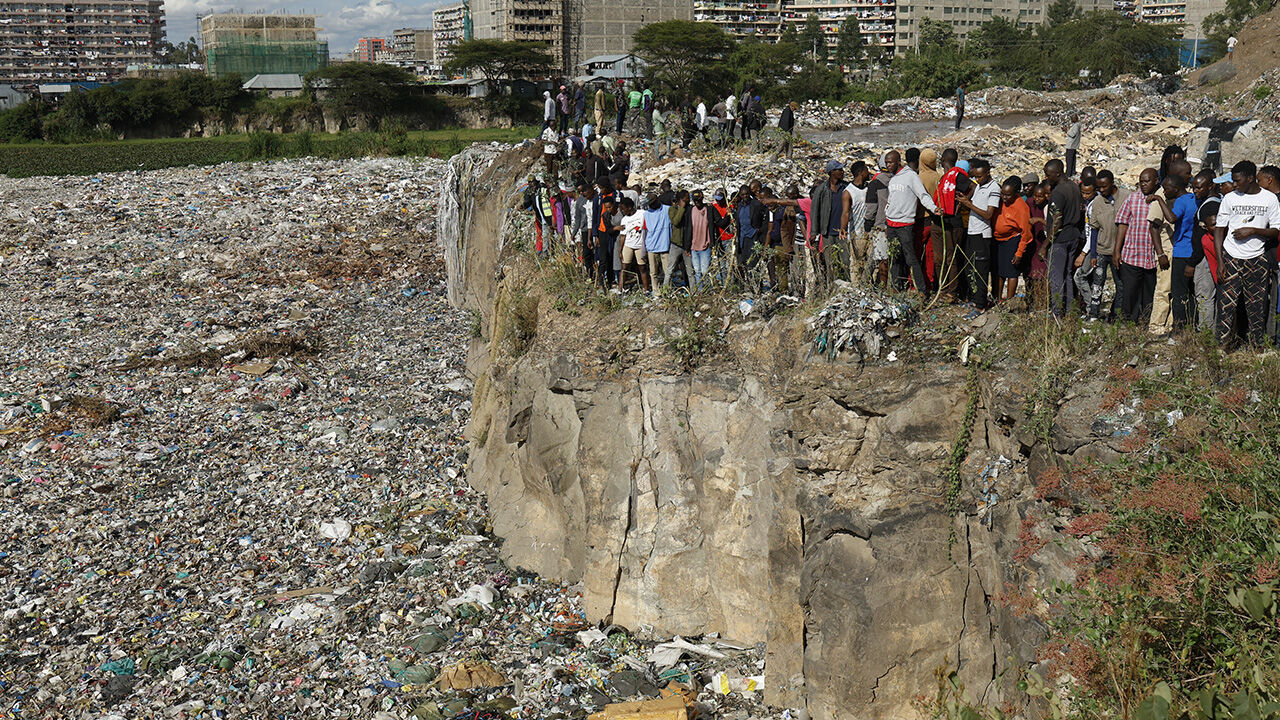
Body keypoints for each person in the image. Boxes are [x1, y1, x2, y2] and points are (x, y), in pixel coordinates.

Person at [1214, 160, 1280, 347]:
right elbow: (1219, 230)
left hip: (1257, 257)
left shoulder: (1269, 199)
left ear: (1250, 178)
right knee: (1227, 304)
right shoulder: (1230, 198)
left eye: (1238, 180)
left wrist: (1253, 230)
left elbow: (1275, 230)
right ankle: (1222, 347)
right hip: (1231, 255)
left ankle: (1256, 346)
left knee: (1256, 305)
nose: (1234, 185)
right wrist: (1221, 261)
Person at [887, 148, 939, 294]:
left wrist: (934, 209)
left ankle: (922, 291)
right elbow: (892, 199)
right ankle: (897, 288)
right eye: (886, 163)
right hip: (891, 224)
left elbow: (922, 195)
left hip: (905, 224)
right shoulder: (893, 179)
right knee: (895, 258)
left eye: (890, 163)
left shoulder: (911, 176)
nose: (888, 166)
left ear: (898, 162)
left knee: (911, 259)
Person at [1114, 168, 1162, 324]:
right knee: (1130, 293)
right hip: (1132, 255)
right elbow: (1122, 224)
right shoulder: (1132, 199)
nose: (1143, 184)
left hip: (1152, 258)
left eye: (1147, 181)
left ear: (1156, 181)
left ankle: (1145, 322)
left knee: (1149, 294)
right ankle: (1128, 323)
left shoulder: (1162, 199)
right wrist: (1117, 251)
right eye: (1141, 181)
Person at [1168, 173, 1211, 329]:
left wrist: (1159, 201)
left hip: (1182, 252)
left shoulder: (1183, 201)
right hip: (1198, 253)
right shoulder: (1201, 202)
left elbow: (1172, 218)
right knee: (1193, 294)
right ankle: (1193, 326)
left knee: (1179, 293)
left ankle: (1179, 328)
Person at [1084, 169, 1126, 321]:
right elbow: (1094, 229)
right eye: (1099, 187)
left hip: (1119, 251)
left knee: (1120, 285)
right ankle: (1094, 313)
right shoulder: (1097, 202)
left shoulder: (1125, 197)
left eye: (1104, 187)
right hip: (1102, 250)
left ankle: (1116, 314)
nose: (1101, 190)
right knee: (1098, 284)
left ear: (1112, 183)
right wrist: (1094, 254)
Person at [1044, 158, 1084, 318]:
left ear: (1058, 173)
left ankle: (1057, 311)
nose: (1047, 178)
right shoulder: (1074, 187)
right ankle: (1069, 309)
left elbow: (1057, 221)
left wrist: (1044, 245)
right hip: (1073, 236)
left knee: (1056, 276)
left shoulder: (1058, 192)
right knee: (1067, 274)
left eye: (1048, 174)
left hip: (1060, 239)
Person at [959, 158, 1000, 310]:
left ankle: (981, 304)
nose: (977, 179)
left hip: (982, 234)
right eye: (975, 176)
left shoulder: (993, 188)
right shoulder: (978, 186)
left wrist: (969, 205)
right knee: (970, 267)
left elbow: (989, 214)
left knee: (981, 270)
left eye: (980, 176)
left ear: (988, 173)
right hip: (972, 231)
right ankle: (976, 298)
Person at [933, 149, 972, 301]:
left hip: (953, 222)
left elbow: (973, 187)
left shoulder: (957, 175)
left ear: (942, 159)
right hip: (940, 220)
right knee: (939, 259)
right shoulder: (944, 177)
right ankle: (942, 289)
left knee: (951, 258)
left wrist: (963, 202)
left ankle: (952, 292)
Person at [809, 159, 851, 285]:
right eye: (839, 170)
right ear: (832, 172)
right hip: (827, 231)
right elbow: (815, 210)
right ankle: (833, 287)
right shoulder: (822, 190)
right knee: (831, 262)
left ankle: (846, 287)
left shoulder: (847, 187)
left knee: (845, 262)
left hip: (843, 231)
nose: (842, 172)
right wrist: (814, 232)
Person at [993, 176, 1032, 303]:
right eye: (1002, 194)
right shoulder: (1000, 201)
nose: (1004, 197)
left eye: (1007, 195)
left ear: (1015, 194)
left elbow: (1026, 233)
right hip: (998, 240)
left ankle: (1009, 302)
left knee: (1011, 272)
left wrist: (1019, 252)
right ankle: (998, 300)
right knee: (999, 271)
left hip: (1012, 241)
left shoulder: (1021, 207)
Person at [733, 184, 767, 285]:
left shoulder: (756, 204)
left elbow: (766, 218)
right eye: (743, 195)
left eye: (747, 194)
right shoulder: (739, 206)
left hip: (753, 237)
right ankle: (748, 285)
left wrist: (759, 230)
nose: (745, 196)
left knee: (754, 263)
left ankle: (757, 286)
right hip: (743, 238)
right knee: (745, 263)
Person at [617, 196, 648, 292]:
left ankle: (646, 289)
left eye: (623, 209)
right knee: (624, 267)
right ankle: (620, 289)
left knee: (642, 267)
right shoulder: (624, 219)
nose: (622, 211)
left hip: (640, 246)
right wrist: (620, 250)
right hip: (628, 245)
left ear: (629, 207)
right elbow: (623, 236)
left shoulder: (642, 214)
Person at [688, 190, 714, 290]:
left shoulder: (708, 209)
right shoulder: (691, 210)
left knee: (704, 271)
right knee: (697, 271)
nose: (697, 202)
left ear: (702, 199)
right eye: (695, 200)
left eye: (698, 200)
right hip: (694, 247)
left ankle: (708, 289)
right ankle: (700, 291)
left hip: (705, 246)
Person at [668, 189, 691, 288]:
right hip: (676, 244)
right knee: (670, 269)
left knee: (690, 271)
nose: (688, 199)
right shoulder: (673, 209)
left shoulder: (689, 209)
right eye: (686, 198)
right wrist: (681, 208)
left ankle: (694, 291)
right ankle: (665, 289)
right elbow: (676, 221)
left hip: (687, 245)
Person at [1065, 114, 1081, 178]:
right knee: (1073, 159)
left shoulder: (1076, 126)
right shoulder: (1077, 125)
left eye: (1072, 118)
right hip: (1073, 145)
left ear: (1075, 119)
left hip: (1071, 146)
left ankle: (1068, 174)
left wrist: (1066, 130)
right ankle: (1073, 172)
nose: (1071, 120)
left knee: (1069, 160)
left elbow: (1072, 134)